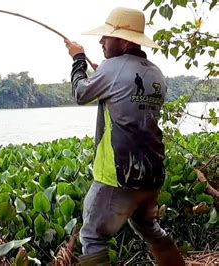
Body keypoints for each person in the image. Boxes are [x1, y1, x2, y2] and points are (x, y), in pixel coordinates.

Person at [64, 7, 185, 266]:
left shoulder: (112, 68)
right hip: (151, 176)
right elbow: (129, 95)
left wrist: (78, 59)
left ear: (126, 41)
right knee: (150, 229)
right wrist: (106, 72)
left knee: (92, 237)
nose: (101, 41)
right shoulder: (156, 74)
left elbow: (80, 94)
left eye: (108, 37)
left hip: (118, 176)